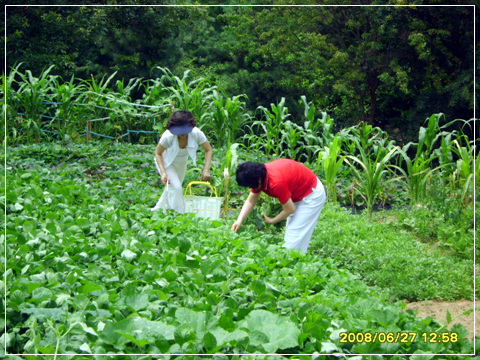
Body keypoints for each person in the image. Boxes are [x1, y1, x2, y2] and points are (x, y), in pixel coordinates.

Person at [231, 159, 326, 253]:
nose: (250, 188)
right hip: (299, 192)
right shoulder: (260, 173)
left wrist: (272, 220)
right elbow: (251, 201)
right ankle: (298, 257)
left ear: (258, 180)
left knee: (293, 239)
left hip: (311, 195)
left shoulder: (276, 183)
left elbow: (289, 209)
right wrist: (239, 220)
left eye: (250, 186)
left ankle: (293, 261)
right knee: (294, 236)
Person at [151, 110, 212, 213]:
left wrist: (206, 169)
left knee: (173, 188)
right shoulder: (167, 136)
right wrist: (163, 172)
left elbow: (208, 150)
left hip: (181, 163)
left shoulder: (196, 133)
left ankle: (158, 210)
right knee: (177, 188)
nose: (182, 134)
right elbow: (158, 153)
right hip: (166, 162)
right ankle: (179, 215)